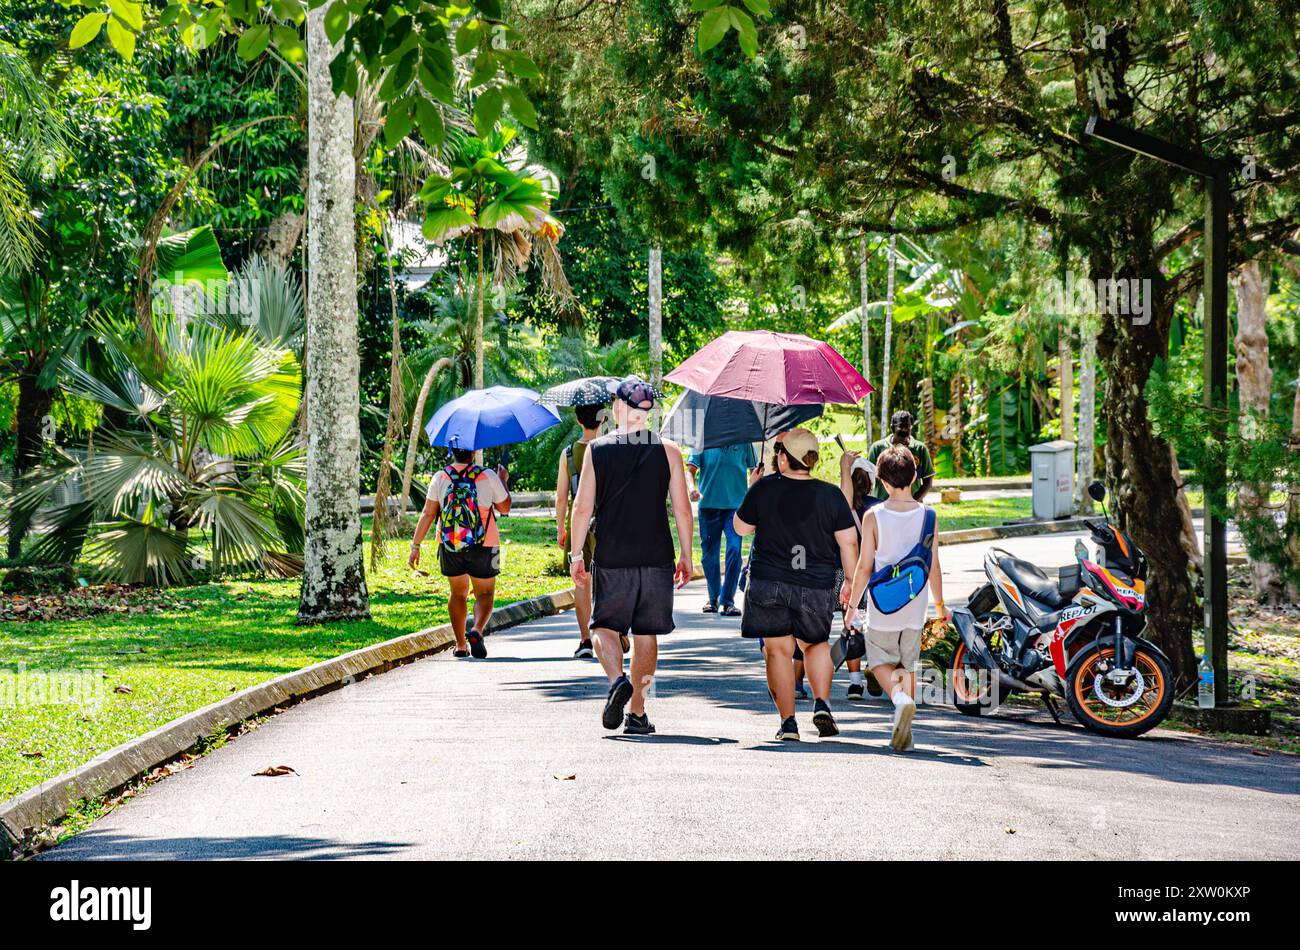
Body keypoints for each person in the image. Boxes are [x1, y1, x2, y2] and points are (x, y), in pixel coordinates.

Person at [568, 376, 693, 735]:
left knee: (603, 628)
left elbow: (581, 507)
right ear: (647, 412)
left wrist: (577, 554)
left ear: (619, 408)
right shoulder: (669, 451)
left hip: (612, 555)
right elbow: (682, 510)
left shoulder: (598, 450)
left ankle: (616, 679)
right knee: (646, 635)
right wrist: (686, 554)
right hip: (657, 557)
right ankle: (637, 712)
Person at [734, 428, 859, 741]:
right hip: (815, 584)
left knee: (778, 650)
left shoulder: (764, 488)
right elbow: (848, 542)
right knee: (814, 644)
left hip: (768, 581)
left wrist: (753, 490)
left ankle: (788, 724)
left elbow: (741, 528)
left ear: (782, 457)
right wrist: (851, 581)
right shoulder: (830, 494)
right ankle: (821, 703)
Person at [844, 445, 950, 752]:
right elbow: (934, 567)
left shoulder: (874, 516)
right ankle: (907, 729)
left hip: (882, 606)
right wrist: (940, 606)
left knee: (879, 663)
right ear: (915, 476)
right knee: (908, 665)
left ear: (882, 481)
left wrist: (852, 608)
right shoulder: (928, 515)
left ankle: (900, 700)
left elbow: (864, 567)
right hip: (915, 608)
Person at [409, 447, 512, 659]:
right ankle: (476, 630)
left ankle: (460, 645)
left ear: (452, 452)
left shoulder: (440, 476)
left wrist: (415, 546)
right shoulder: (488, 475)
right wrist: (503, 480)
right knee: (484, 593)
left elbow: (429, 513)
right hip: (485, 543)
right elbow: (504, 508)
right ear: (473, 452)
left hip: (449, 545)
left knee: (457, 593)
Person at [687, 442, 756, 616]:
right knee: (709, 556)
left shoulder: (744, 440)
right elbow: (690, 471)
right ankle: (713, 598)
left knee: (734, 549)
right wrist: (691, 488)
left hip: (736, 507)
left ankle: (727, 601)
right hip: (708, 506)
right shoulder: (702, 439)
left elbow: (754, 471)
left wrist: (756, 491)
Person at [557, 403, 603, 658]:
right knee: (612, 579)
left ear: (577, 420)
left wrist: (560, 528)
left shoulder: (567, 453)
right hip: (608, 519)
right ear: (603, 418)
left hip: (579, 521)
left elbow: (562, 496)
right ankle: (613, 633)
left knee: (581, 580)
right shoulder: (611, 448)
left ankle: (586, 639)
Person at [839, 450, 883, 701]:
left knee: (851, 625)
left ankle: (855, 683)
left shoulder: (839, 505)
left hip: (844, 575)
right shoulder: (878, 508)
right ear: (870, 482)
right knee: (876, 625)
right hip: (874, 574)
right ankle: (876, 667)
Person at [865, 410, 935, 501]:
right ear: (892, 428)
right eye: (901, 428)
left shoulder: (920, 449)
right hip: (883, 506)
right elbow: (868, 478)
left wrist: (913, 501)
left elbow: (928, 481)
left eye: (908, 428)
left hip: (912, 507)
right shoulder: (877, 449)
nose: (904, 431)